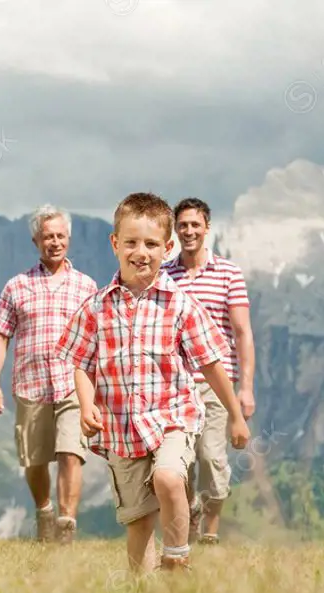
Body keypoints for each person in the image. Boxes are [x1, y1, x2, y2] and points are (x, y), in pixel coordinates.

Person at [55, 191, 250, 573]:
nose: (139, 252)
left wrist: (236, 414)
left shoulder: (180, 305)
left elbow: (211, 363)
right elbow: (79, 361)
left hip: (171, 418)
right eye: (130, 242)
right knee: (139, 522)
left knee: (168, 476)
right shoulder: (96, 308)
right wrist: (86, 403)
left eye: (150, 243)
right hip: (121, 430)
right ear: (115, 244)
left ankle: (177, 561)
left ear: (167, 247)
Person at [0, 204, 98, 545]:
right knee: (34, 461)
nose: (55, 242)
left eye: (61, 236)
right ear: (36, 240)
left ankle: (65, 526)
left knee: (70, 453)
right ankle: (45, 510)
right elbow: (0, 337)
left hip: (72, 386)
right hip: (31, 386)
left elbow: (96, 340)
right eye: (48, 236)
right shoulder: (17, 286)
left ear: (69, 239)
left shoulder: (86, 286)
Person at [163, 197, 256, 545]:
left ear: (207, 228)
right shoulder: (165, 274)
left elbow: (243, 332)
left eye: (195, 225)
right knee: (179, 463)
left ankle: (211, 535)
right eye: (183, 225)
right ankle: (188, 531)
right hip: (175, 386)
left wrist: (245, 388)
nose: (189, 231)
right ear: (176, 229)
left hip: (217, 384)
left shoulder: (228, 273)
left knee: (212, 458)